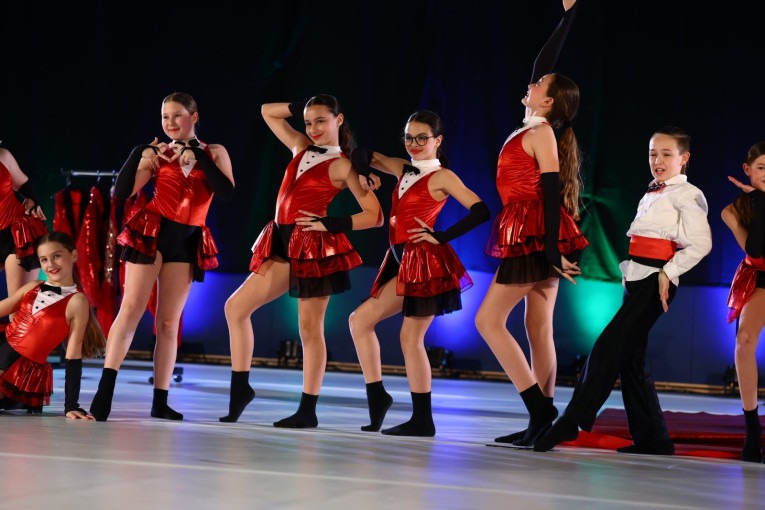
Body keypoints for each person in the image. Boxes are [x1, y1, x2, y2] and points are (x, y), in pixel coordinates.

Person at [533, 126, 713, 454]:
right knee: (631, 360)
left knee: (608, 345)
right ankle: (654, 438)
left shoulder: (687, 195)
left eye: (666, 154)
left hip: (657, 282)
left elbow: (701, 244)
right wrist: (630, 275)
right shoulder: (652, 192)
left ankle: (571, 420)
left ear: (684, 158)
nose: (657, 160)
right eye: (653, 154)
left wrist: (668, 272)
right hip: (637, 278)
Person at [220, 94, 382, 427]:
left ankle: (307, 410)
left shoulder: (344, 165)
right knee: (235, 308)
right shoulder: (300, 146)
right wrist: (301, 108)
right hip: (281, 241)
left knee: (309, 329)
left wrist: (331, 223)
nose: (313, 128)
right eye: (308, 122)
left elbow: (375, 215)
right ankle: (240, 388)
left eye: (321, 120)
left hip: (313, 246)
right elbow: (267, 112)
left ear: (339, 120)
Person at [474, 0, 589, 448]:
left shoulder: (541, 132)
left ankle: (540, 409)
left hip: (533, 232)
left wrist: (551, 249)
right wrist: (568, 16)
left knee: (488, 321)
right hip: (534, 231)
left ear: (548, 101)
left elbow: (549, 191)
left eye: (539, 84)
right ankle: (540, 422)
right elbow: (541, 65)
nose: (532, 82)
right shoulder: (532, 127)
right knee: (537, 328)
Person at [89, 92, 235, 421]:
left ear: (194, 117)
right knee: (131, 309)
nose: (170, 123)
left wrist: (200, 156)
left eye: (177, 115)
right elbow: (122, 192)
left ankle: (161, 400)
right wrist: (138, 153)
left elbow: (225, 192)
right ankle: (104, 392)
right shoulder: (159, 152)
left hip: (188, 238)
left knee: (168, 322)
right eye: (164, 117)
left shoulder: (215, 151)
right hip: (152, 231)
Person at [348, 110, 490, 436]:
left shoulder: (443, 177)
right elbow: (362, 153)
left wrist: (441, 236)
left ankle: (423, 419)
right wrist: (364, 173)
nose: (413, 144)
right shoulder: (402, 167)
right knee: (359, 321)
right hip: (401, 260)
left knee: (410, 338)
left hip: (425, 263)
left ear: (438, 141)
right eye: (409, 137)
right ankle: (377, 396)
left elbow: (481, 210)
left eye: (422, 138)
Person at [0, 231, 106, 418]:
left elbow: (73, 354)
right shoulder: (33, 285)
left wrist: (71, 405)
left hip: (22, 371)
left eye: (56, 256)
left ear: (73, 255)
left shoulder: (77, 301)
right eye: (44, 260)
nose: (50, 264)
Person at [721, 141, 765, 463]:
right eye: (762, 168)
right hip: (760, 278)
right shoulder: (733, 211)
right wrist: (759, 201)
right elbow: (756, 252)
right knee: (744, 340)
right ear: (747, 170)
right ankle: (752, 429)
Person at [0, 146, 49, 307]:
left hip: (18, 234)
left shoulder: (3, 156)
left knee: (19, 310)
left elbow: (23, 184)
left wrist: (34, 203)